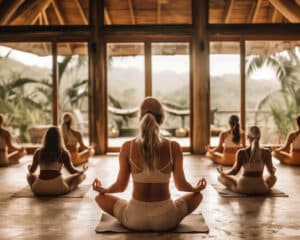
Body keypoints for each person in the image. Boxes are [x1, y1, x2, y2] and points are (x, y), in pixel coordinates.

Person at [93, 97, 206, 231]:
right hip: (167, 218)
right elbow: (180, 185)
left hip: (134, 218)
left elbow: (121, 186)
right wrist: (195, 189)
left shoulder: (127, 147)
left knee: (100, 198)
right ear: (162, 119)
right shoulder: (173, 147)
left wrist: (104, 190)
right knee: (198, 196)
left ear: (139, 118)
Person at [27, 127, 87, 196]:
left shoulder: (38, 152)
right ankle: (66, 184)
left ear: (46, 138)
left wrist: (29, 168)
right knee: (82, 176)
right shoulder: (64, 152)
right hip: (58, 188)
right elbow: (72, 171)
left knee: (29, 176)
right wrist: (82, 171)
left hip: (39, 189)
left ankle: (42, 186)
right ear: (59, 139)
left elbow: (32, 171)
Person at [217, 126, 277, 195]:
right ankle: (257, 187)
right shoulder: (267, 152)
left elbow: (234, 171)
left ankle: (236, 186)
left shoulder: (241, 152)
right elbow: (271, 173)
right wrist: (273, 171)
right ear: (259, 137)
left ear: (248, 137)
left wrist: (223, 172)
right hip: (261, 188)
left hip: (244, 188)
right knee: (273, 178)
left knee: (220, 177)